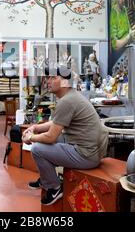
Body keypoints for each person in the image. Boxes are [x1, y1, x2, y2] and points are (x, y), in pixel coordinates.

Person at [22, 65, 109, 205]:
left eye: (53, 78)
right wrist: (35, 127)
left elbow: (51, 137)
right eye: (48, 78)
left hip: (86, 155)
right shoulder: (70, 97)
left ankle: (54, 187)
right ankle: (46, 178)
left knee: (38, 149)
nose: (48, 81)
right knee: (46, 141)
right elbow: (55, 123)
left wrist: (30, 137)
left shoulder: (67, 101)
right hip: (88, 149)